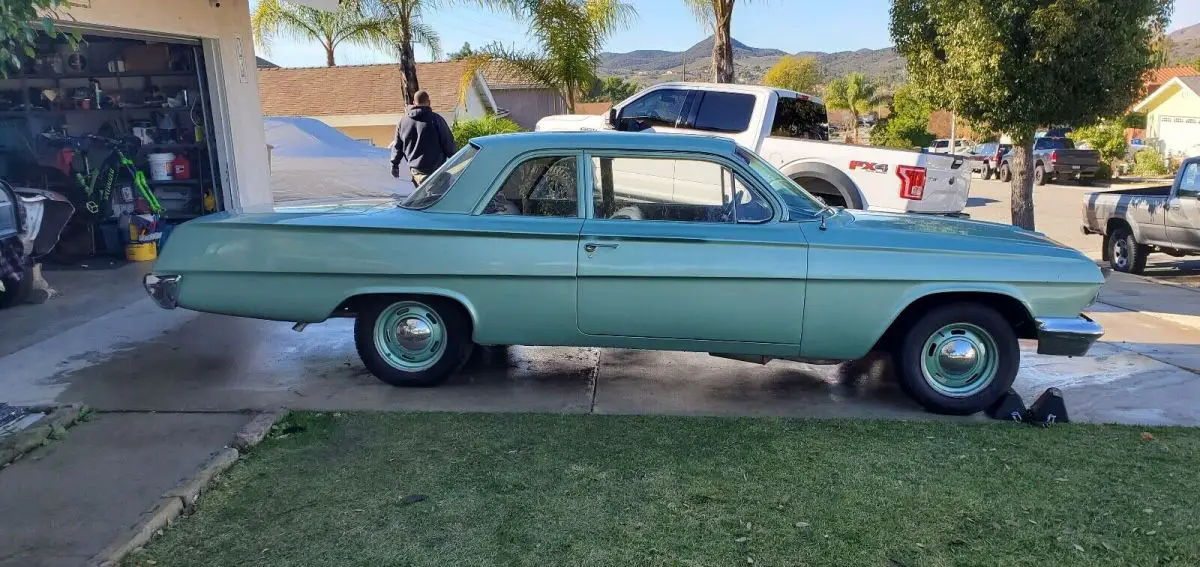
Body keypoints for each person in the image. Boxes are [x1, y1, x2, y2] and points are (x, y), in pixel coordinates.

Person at [391, 90, 457, 186]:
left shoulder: (403, 122)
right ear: (429, 102)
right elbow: (449, 144)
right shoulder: (436, 120)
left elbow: (397, 147)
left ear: (414, 103)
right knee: (438, 199)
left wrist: (394, 165)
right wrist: (458, 159)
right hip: (436, 173)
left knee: (422, 200)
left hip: (416, 175)